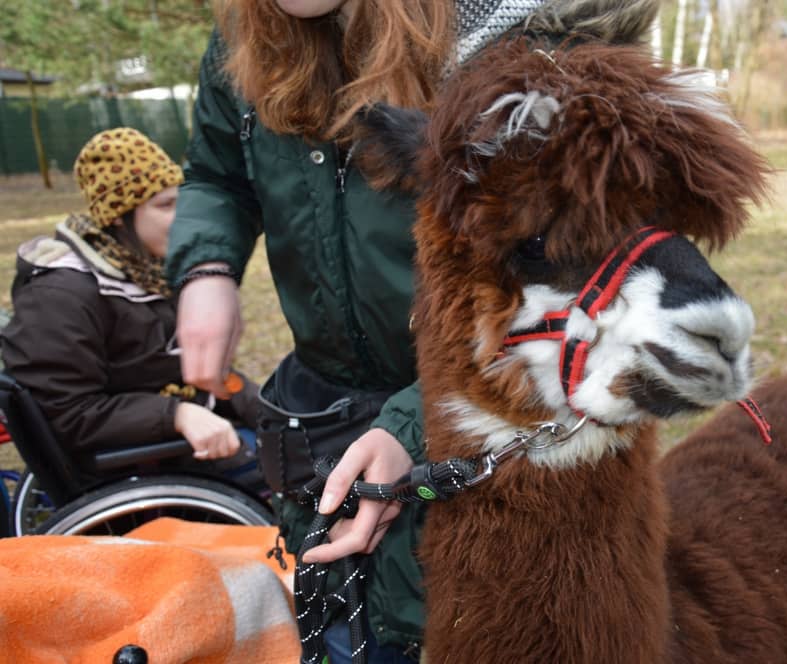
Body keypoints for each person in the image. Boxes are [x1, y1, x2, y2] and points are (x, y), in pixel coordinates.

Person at [166, 1, 659, 660]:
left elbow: (561, 284)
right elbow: (216, 173)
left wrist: (409, 422)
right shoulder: (243, 37)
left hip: (477, 440)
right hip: (321, 428)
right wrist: (207, 266)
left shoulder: (503, 42)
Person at [1, 128, 259, 463]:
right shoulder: (60, 295)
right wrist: (177, 415)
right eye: (166, 205)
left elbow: (190, 372)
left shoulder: (147, 270)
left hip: (197, 436)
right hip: (149, 462)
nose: (184, 220)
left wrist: (269, 410)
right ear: (119, 218)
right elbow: (66, 413)